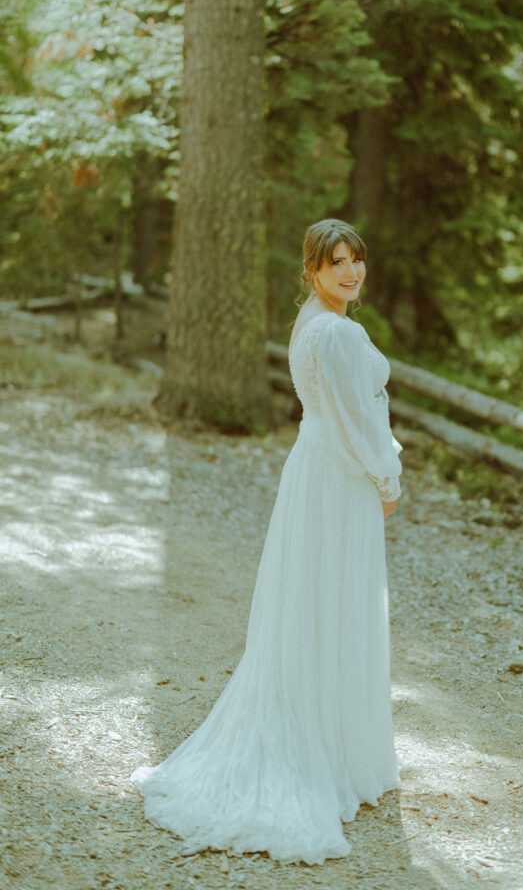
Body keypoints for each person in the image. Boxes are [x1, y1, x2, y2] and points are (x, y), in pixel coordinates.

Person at [132, 219, 402, 864]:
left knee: (315, 605)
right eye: (336, 262)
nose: (350, 273)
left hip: (316, 471)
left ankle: (331, 740)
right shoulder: (338, 330)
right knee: (332, 602)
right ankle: (319, 750)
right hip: (337, 478)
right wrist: (386, 476)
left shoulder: (313, 320)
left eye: (356, 261)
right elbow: (354, 421)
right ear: (311, 270)